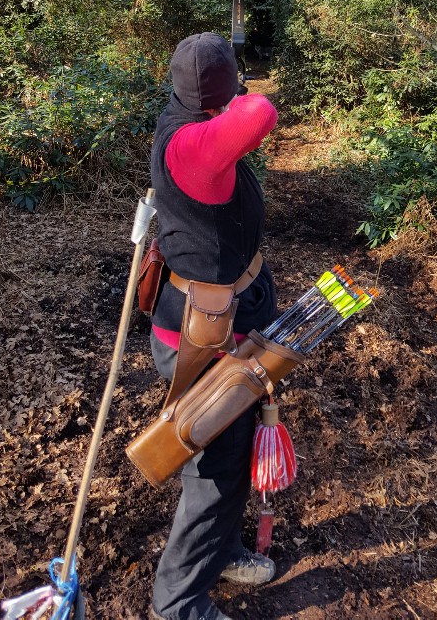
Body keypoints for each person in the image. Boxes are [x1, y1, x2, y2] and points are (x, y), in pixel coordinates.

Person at [149, 32, 279, 620]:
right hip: (204, 336)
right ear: (221, 95)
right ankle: (177, 602)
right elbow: (260, 112)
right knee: (214, 471)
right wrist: (238, 96)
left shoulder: (183, 117)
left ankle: (220, 553)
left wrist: (221, 94)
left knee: (230, 448)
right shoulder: (194, 147)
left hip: (221, 317)